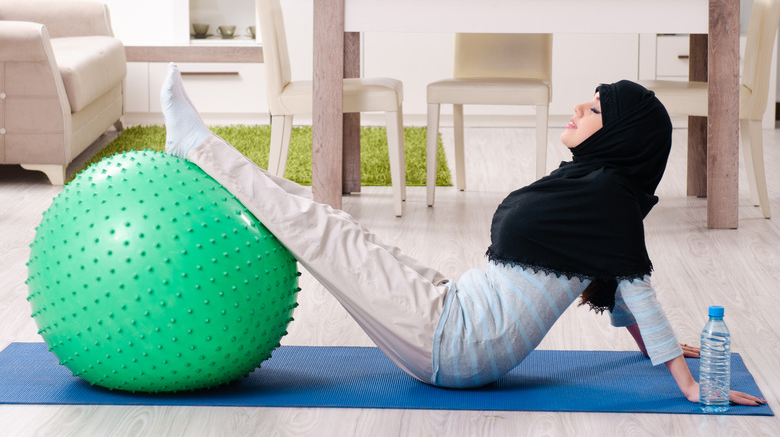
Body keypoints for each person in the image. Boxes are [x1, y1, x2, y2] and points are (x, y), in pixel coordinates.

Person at [160, 63, 765, 405]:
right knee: (334, 225)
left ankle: (197, 146)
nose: (577, 113)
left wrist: (687, 384)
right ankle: (207, 155)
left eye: (593, 111)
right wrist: (657, 351)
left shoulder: (606, 203)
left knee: (317, 232)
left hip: (451, 342)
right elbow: (624, 286)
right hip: (452, 314)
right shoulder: (599, 195)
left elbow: (636, 283)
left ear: (618, 137)